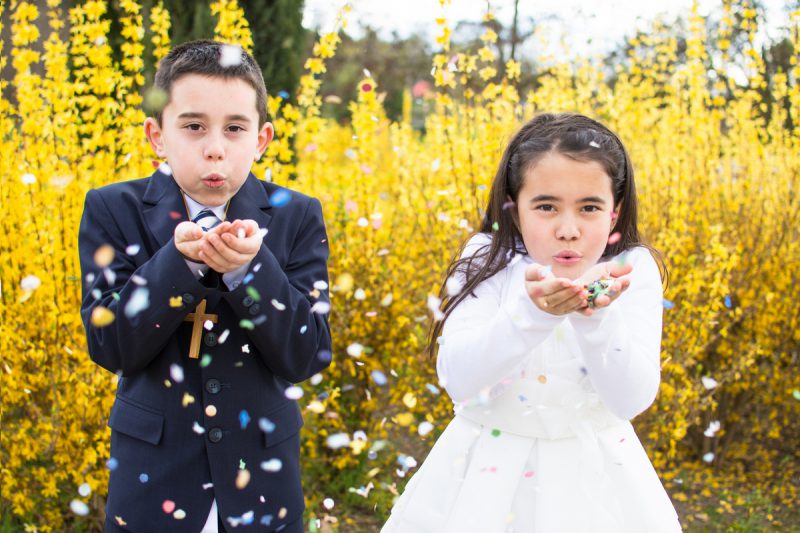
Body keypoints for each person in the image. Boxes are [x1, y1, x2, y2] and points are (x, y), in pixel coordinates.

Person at [381, 112, 682, 532]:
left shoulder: (631, 269)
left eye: (590, 207)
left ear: (613, 215)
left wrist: (595, 318)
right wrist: (533, 315)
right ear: (515, 210)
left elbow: (630, 399)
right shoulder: (487, 259)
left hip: (597, 476)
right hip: (485, 475)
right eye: (545, 206)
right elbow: (459, 379)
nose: (568, 229)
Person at [78, 40, 331, 532]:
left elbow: (308, 355)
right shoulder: (114, 209)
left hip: (260, 478)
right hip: (154, 477)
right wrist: (178, 265)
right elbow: (110, 345)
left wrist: (249, 272)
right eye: (193, 127)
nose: (215, 146)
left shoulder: (295, 216)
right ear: (157, 136)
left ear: (261, 140)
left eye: (235, 128)